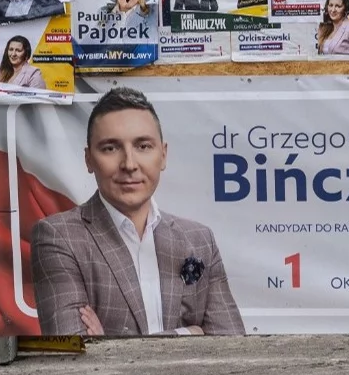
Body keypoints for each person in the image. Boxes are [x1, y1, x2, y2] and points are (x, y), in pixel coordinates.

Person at [29, 88, 245, 338]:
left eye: (143, 146)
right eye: (110, 148)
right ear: (88, 159)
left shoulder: (199, 239)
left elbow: (232, 346)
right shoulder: (58, 238)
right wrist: (190, 333)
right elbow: (73, 353)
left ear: (163, 155)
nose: (129, 164)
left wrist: (109, 342)